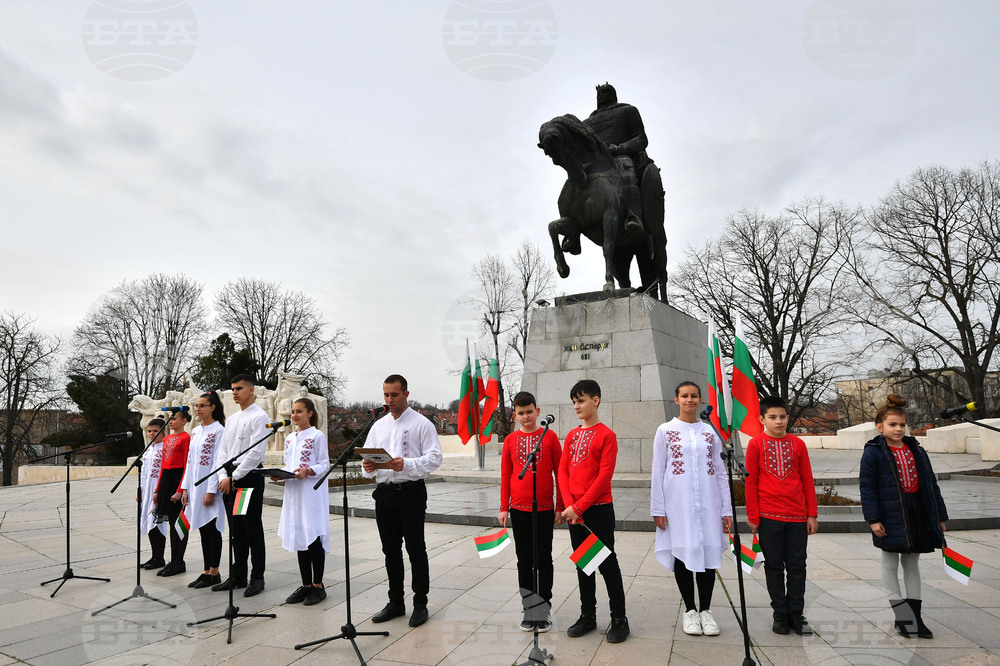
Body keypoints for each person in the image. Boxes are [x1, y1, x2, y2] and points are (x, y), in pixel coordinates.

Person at [860, 394, 948, 639]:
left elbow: (931, 484)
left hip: (916, 512)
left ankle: (916, 617)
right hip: (889, 514)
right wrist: (873, 519)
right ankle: (902, 615)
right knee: (890, 562)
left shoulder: (916, 450)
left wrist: (939, 515)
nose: (898, 429)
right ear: (880, 427)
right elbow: (867, 488)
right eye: (892, 425)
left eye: (901, 425)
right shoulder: (873, 452)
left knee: (912, 564)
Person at [360, 374, 443, 628]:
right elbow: (366, 465)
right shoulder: (379, 425)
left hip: (410, 493)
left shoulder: (421, 424)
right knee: (390, 550)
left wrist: (406, 464)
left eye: (394, 395)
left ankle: (420, 603)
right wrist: (367, 465)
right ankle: (396, 601)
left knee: (415, 549)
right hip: (384, 494)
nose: (389, 399)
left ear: (406, 394)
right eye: (386, 395)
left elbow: (435, 458)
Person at [650, 381, 732, 637]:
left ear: (700, 400)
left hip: (708, 503)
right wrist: (658, 507)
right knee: (683, 555)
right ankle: (690, 611)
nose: (689, 400)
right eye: (684, 396)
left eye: (694, 396)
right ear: (676, 399)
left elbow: (720, 473)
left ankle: (706, 611)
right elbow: (658, 470)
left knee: (708, 556)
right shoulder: (665, 430)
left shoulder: (710, 433)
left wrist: (726, 509)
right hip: (678, 504)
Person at [558, 379, 630, 643]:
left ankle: (619, 618)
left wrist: (579, 506)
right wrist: (569, 506)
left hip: (597, 511)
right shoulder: (572, 435)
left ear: (595, 400)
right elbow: (563, 471)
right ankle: (587, 615)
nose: (577, 406)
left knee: (607, 564)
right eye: (574, 402)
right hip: (574, 513)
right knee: (584, 564)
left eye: (581, 400)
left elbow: (603, 477)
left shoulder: (606, 435)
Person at [745, 395, 819, 635]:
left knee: (797, 566)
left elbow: (807, 479)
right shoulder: (756, 444)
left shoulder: (798, 444)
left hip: (797, 517)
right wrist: (754, 517)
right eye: (773, 417)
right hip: (769, 516)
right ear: (762, 419)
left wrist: (812, 514)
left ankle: (796, 614)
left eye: (782, 416)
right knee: (774, 567)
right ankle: (780, 613)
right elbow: (751, 482)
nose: (779, 421)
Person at [498, 391, 563, 632]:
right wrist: (504, 507)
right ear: (514, 415)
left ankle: (543, 609)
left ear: (538, 411)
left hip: (545, 509)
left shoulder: (550, 437)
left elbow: (560, 473)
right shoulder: (511, 440)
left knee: (543, 560)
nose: (526, 416)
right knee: (524, 561)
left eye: (530, 412)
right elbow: (506, 475)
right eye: (521, 413)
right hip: (519, 510)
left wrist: (560, 506)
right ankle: (528, 608)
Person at [212, 374, 271, 597]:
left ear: (251, 390)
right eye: (233, 389)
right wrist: (222, 477)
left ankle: (257, 577)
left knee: (251, 527)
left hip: (247, 478)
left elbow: (256, 453)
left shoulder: (260, 417)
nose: (234, 392)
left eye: (239, 388)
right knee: (236, 529)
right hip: (230, 478)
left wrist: (234, 477)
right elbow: (223, 451)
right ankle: (238, 575)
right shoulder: (233, 418)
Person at [275, 398, 331, 606]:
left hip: (311, 492)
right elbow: (288, 464)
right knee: (299, 534)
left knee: (312, 534)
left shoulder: (317, 436)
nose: (295, 415)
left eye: (299, 411)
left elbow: (325, 464)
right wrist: (279, 474)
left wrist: (308, 471)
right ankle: (306, 585)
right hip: (294, 492)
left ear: (310, 413)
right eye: (293, 412)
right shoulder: (290, 437)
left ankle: (318, 586)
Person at [181, 391, 227, 589]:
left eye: (202, 406)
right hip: (194, 486)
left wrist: (211, 491)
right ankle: (206, 570)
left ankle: (214, 572)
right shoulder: (196, 431)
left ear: (213, 407)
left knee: (211, 529)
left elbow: (218, 462)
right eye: (196, 406)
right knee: (201, 528)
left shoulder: (219, 431)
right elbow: (190, 463)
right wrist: (185, 488)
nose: (197, 409)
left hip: (210, 488)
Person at [152, 409, 191, 577]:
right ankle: (172, 560)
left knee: (178, 523)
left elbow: (186, 464)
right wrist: (157, 489)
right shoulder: (167, 438)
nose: (171, 421)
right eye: (170, 419)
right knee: (170, 524)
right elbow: (163, 466)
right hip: (166, 480)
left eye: (174, 418)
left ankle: (179, 561)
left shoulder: (186, 438)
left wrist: (180, 489)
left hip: (178, 478)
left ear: (183, 421)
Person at [139, 418, 168, 570]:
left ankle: (160, 557)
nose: (151, 434)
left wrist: (160, 490)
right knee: (149, 523)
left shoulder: (165, 448)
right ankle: (154, 556)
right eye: (149, 431)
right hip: (148, 489)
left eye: (155, 431)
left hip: (158, 489)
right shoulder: (148, 449)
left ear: (163, 432)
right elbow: (143, 472)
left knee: (157, 523)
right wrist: (141, 489)